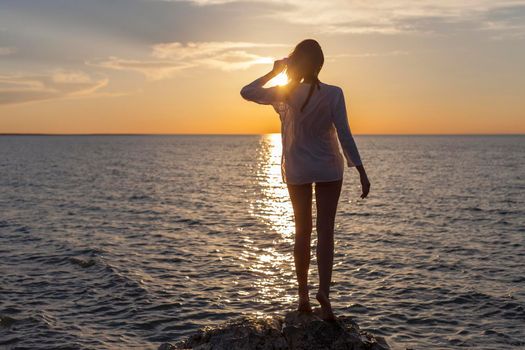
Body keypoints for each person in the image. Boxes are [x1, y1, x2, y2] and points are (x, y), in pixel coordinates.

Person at [240, 39, 370, 321]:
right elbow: (344, 133)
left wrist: (275, 71)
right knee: (326, 232)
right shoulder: (334, 93)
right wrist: (360, 169)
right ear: (320, 64)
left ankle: (302, 296)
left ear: (295, 62)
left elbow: (246, 92)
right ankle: (323, 291)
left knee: (302, 231)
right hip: (328, 168)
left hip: (298, 169)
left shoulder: (286, 93)